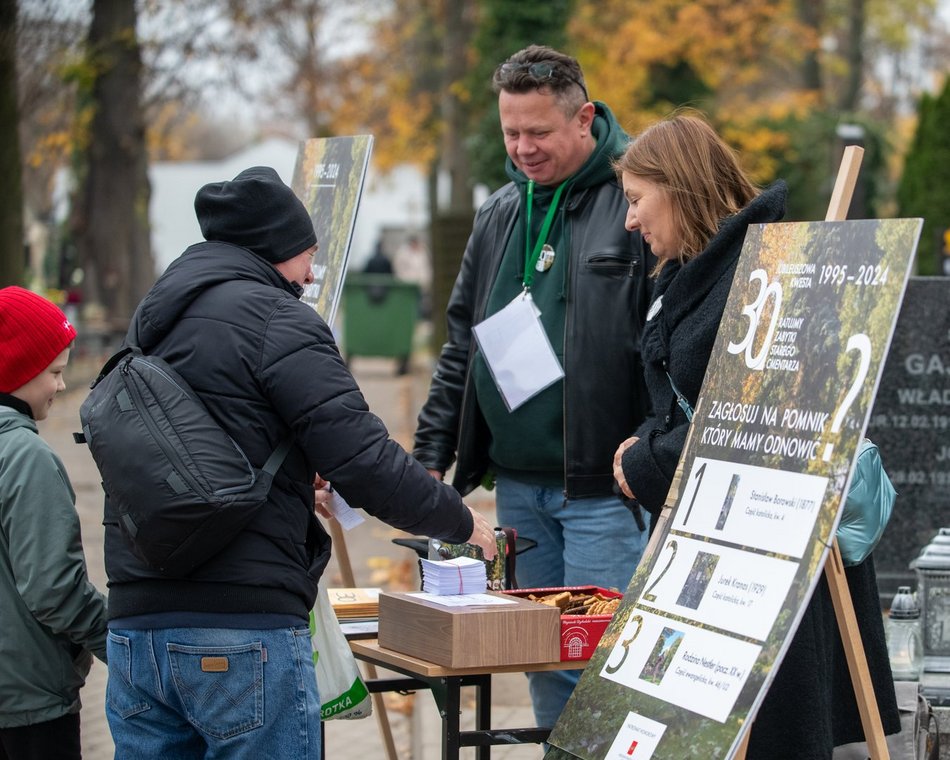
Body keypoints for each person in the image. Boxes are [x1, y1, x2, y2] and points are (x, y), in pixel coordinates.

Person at [102, 166, 497, 760]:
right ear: (271, 251)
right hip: (242, 628)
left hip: (135, 631)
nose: (312, 274)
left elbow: (200, 452)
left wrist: (288, 483)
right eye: (305, 256)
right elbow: (365, 461)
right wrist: (463, 525)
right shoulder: (279, 320)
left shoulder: (151, 320)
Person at [611, 113, 899, 758]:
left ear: (679, 188)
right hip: (720, 541)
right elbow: (684, 401)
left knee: (776, 735)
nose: (629, 222)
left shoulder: (771, 273)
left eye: (636, 200)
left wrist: (648, 460)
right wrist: (643, 444)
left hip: (771, 546)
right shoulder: (690, 272)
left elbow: (766, 424)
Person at [412, 45, 653, 727]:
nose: (522, 148)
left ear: (585, 118)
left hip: (605, 488)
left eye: (538, 132)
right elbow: (462, 342)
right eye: (511, 132)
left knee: (597, 657)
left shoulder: (635, 199)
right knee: (543, 652)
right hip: (517, 485)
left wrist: (653, 445)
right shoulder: (499, 213)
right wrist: (431, 452)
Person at [0, 286, 108, 760]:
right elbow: (52, 587)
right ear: (16, 372)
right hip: (28, 704)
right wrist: (119, 641)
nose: (62, 386)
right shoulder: (24, 455)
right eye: (55, 372)